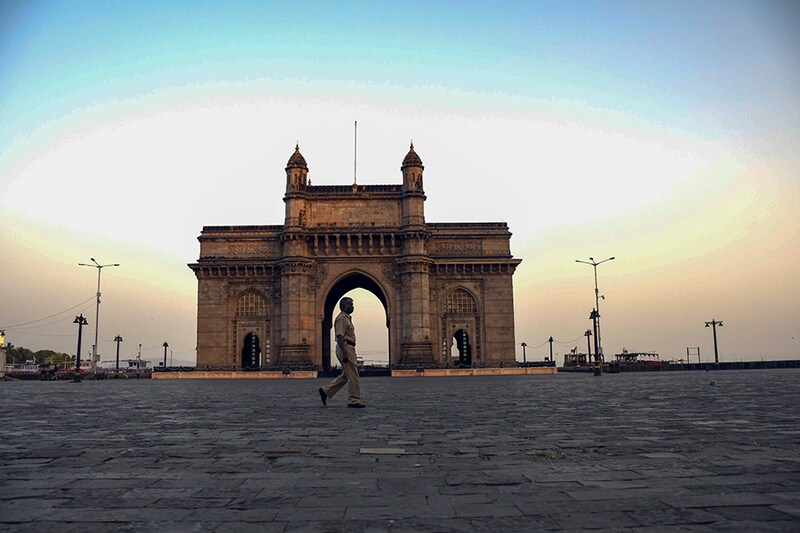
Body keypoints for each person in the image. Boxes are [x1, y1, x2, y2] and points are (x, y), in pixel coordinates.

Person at [318, 297, 365, 408]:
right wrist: (345, 353)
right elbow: (339, 336)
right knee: (353, 375)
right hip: (345, 347)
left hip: (348, 347)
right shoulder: (342, 318)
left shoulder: (347, 318)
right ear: (344, 306)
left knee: (346, 375)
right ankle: (353, 400)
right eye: (350, 304)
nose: (352, 306)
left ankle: (325, 391)